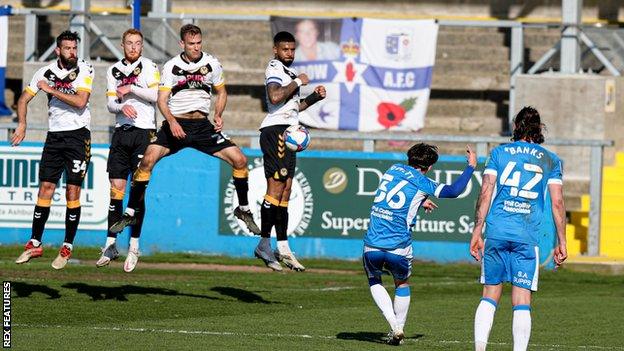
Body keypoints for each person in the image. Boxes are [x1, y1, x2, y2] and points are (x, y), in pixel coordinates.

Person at [109, 24, 260, 246]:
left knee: (240, 160)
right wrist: (171, 122)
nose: (196, 48)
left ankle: (243, 209)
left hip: (202, 127)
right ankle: (130, 212)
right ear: (182, 44)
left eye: (199, 43)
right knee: (147, 160)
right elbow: (161, 100)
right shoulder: (171, 66)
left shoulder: (212, 63)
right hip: (176, 123)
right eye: (191, 44)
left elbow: (222, 92)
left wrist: (218, 114)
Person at [470, 106, 567, 351]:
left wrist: (476, 230)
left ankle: (480, 349)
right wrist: (561, 241)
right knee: (522, 299)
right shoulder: (550, 160)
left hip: (498, 231)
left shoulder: (499, 153)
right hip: (527, 235)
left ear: (515, 127)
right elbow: (557, 202)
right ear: (539, 129)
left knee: (490, 293)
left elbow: (485, 192)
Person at [364, 143, 477, 345]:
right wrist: (470, 167)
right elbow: (454, 191)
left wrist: (419, 200)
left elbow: (394, 195)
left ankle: (394, 327)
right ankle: (398, 328)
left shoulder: (393, 169)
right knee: (402, 284)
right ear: (430, 166)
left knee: (374, 280)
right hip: (399, 246)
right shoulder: (423, 182)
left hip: (372, 243)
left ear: (409, 157)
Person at [13, 30, 94, 270]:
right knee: (45, 187)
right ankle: (34, 242)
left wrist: (50, 90)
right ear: (58, 50)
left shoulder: (85, 68)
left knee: (72, 191)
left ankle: (67, 245)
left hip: (78, 136)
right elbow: (22, 99)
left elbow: (81, 101)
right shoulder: (44, 72)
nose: (72, 52)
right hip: (55, 138)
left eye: (74, 48)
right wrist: (22, 123)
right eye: (67, 48)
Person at [254, 31, 326, 272]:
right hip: (276, 132)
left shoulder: (290, 73)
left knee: (285, 192)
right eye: (285, 49)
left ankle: (283, 248)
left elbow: (293, 106)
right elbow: (274, 97)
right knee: (275, 189)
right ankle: (264, 243)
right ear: (276, 50)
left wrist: (313, 98)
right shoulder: (275, 68)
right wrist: (297, 83)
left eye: (292, 50)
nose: (290, 53)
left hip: (288, 130)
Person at [95, 28, 159, 272]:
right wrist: (121, 108)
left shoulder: (150, 66)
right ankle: (110, 244)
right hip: (122, 133)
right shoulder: (113, 70)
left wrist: (131, 89)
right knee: (116, 189)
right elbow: (111, 103)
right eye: (130, 43)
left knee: (138, 191)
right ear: (122, 45)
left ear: (142, 46)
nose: (134, 47)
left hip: (144, 133)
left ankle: (134, 245)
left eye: (138, 43)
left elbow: (156, 95)